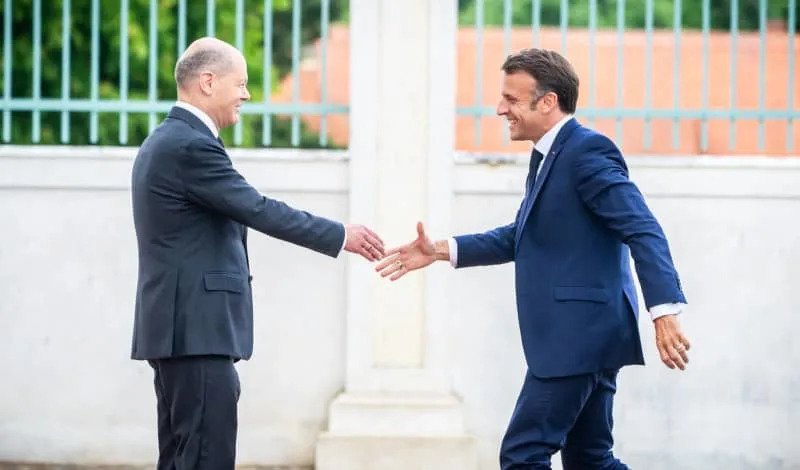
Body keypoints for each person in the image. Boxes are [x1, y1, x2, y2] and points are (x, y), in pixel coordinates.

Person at [376, 48, 691, 470]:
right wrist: (440, 250)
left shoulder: (586, 152)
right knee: (590, 459)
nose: (499, 108)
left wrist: (664, 311)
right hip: (591, 333)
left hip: (577, 336)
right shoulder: (552, 154)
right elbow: (521, 236)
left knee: (523, 454)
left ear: (547, 102)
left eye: (510, 99)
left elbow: (642, 227)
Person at [130, 37, 384, 469]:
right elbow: (257, 208)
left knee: (181, 459)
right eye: (241, 83)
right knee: (206, 459)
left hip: (181, 331)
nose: (247, 95)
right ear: (208, 82)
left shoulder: (166, 140)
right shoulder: (190, 146)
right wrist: (340, 235)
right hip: (198, 332)